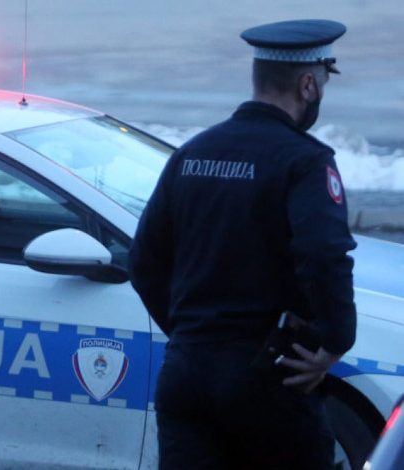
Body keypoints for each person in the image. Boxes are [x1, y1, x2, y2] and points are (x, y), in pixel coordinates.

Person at [129, 19, 357, 470]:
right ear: (308, 85)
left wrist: (189, 332)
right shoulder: (305, 161)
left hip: (186, 374)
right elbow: (324, 256)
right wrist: (335, 342)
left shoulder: (191, 154)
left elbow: (143, 262)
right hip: (267, 379)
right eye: (323, 81)